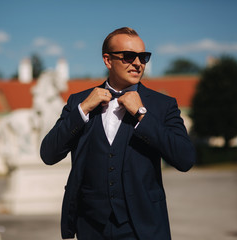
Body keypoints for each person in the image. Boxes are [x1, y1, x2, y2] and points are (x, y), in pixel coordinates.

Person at [40, 27, 196, 240]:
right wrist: (83, 109)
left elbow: (185, 158)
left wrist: (142, 115)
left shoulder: (163, 105)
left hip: (143, 228)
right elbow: (48, 154)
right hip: (90, 228)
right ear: (107, 60)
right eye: (129, 56)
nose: (138, 63)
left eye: (143, 57)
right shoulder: (79, 102)